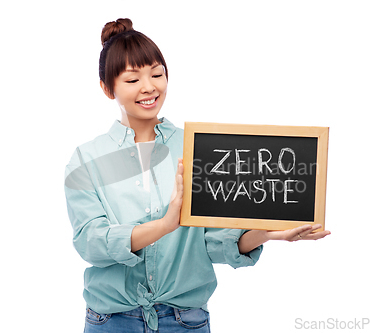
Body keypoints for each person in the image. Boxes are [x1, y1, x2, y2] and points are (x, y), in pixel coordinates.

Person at [64, 18, 331, 333]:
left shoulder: (198, 147)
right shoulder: (87, 158)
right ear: (107, 88)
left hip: (184, 322)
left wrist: (267, 232)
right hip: (111, 321)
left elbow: (214, 243)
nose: (149, 87)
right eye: (132, 79)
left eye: (157, 74)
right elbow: (91, 243)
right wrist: (165, 225)